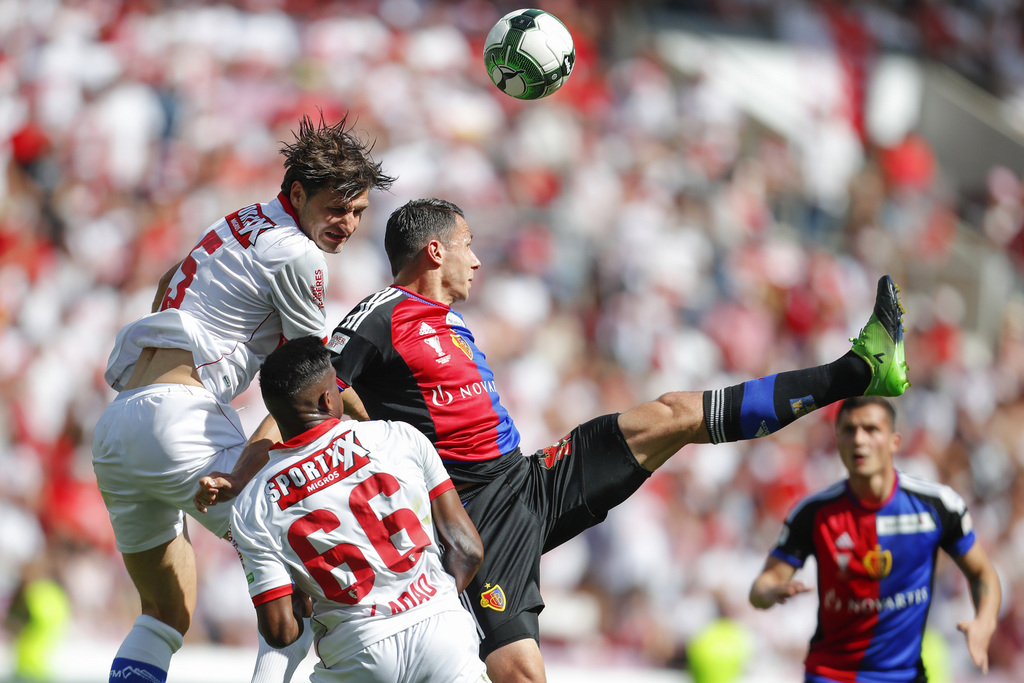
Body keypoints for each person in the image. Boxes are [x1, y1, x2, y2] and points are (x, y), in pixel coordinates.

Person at [197, 197, 911, 682]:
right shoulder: (379, 316)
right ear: (436, 248)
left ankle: (859, 368)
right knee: (519, 672)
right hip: (473, 515)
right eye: (470, 247)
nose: (478, 262)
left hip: (527, 478)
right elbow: (306, 397)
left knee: (671, 414)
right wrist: (243, 468)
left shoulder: (441, 316)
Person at [91, 114, 394, 683]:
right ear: (298, 193)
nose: (347, 224)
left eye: (357, 212)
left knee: (165, 614)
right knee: (315, 568)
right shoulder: (296, 253)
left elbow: (166, 281)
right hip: (181, 421)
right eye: (336, 208)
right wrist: (381, 431)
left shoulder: (237, 222)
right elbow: (311, 381)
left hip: (120, 427)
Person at [230, 336, 489, 683]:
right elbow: (468, 550)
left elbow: (280, 631)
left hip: (358, 652)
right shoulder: (398, 437)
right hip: (441, 633)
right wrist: (424, 606)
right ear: (327, 398)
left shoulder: (253, 503)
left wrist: (300, 595)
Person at [749, 396, 1001, 683]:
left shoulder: (937, 506)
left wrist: (985, 621)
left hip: (904, 676)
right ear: (837, 439)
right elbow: (762, 586)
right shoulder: (813, 514)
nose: (859, 439)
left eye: (871, 430)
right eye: (848, 430)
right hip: (833, 675)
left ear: (895, 441)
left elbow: (982, 573)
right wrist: (769, 593)